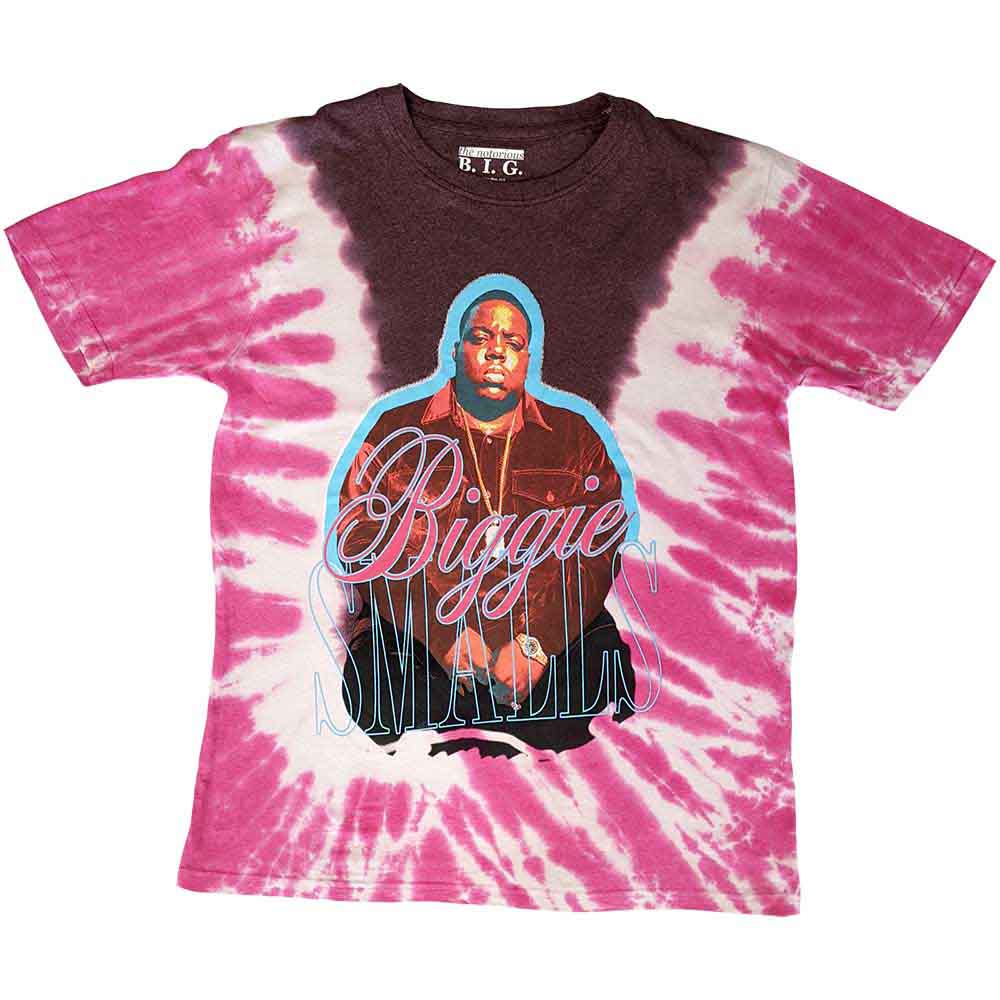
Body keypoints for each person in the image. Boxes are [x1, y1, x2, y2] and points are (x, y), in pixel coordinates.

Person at [328, 289, 636, 754]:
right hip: (419, 641)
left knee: (604, 672)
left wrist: (538, 642)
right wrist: (440, 635)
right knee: (376, 687)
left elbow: (598, 551)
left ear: (528, 360)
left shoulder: (575, 437)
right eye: (481, 337)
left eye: (513, 342)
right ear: (454, 351)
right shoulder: (394, 428)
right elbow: (360, 542)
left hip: (541, 644)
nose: (496, 351)